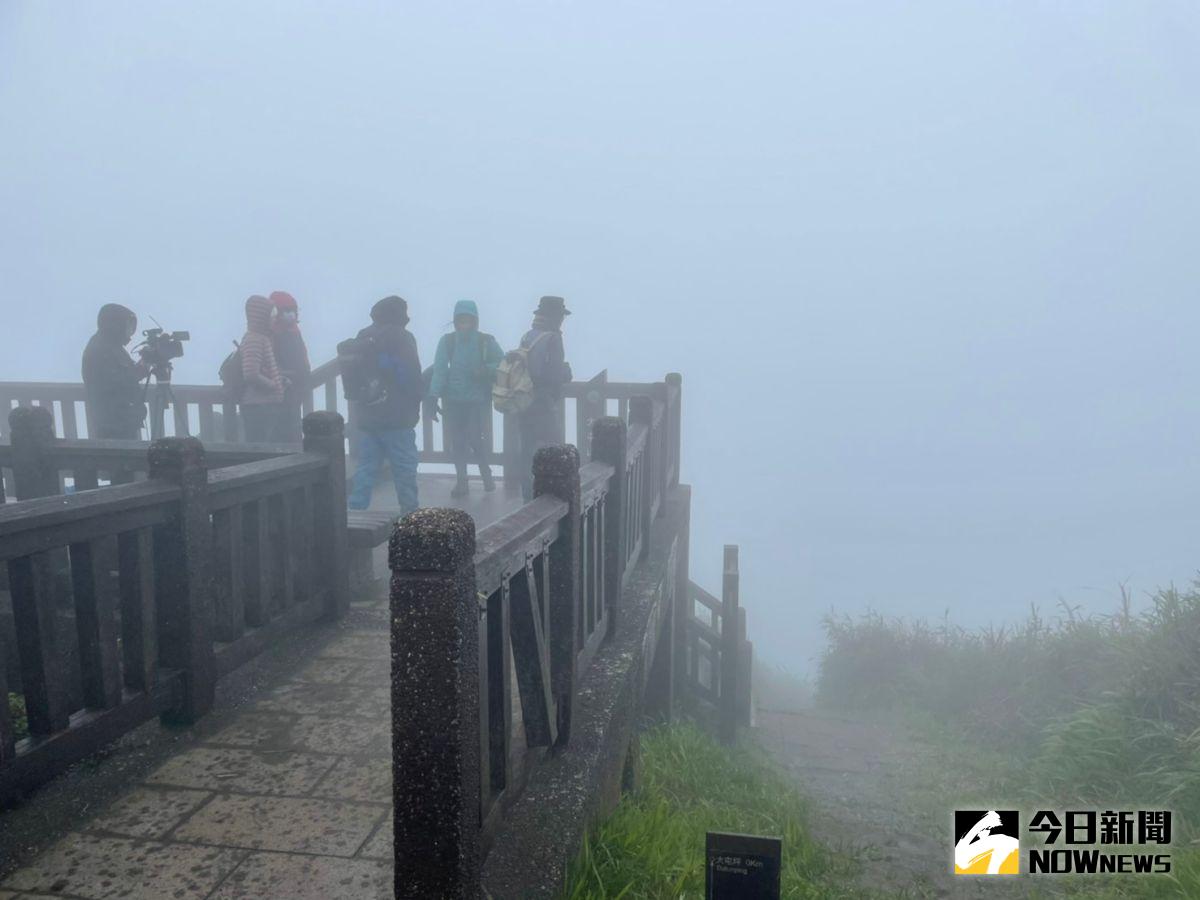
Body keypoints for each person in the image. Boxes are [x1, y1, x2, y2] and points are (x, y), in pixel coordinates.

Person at [347, 296, 423, 513]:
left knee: (366, 466)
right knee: (404, 468)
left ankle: (355, 512)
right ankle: (409, 514)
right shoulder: (402, 337)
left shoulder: (363, 336)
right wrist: (417, 398)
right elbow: (410, 375)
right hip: (398, 417)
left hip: (369, 416)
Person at [429, 300, 504, 497]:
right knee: (458, 441)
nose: (464, 325)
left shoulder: (485, 341)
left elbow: (502, 363)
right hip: (453, 400)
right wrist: (433, 395)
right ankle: (462, 481)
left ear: (475, 321)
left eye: (468, 320)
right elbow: (439, 370)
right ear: (455, 321)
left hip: (477, 400)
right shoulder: (447, 341)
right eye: (461, 321)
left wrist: (485, 370)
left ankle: (485, 473)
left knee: (475, 438)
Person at [516, 295, 573, 499]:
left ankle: (527, 495)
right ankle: (554, 496)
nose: (562, 320)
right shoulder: (553, 338)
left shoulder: (528, 336)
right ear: (555, 316)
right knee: (556, 449)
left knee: (527, 449)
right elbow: (554, 376)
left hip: (524, 400)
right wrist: (566, 373)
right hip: (543, 402)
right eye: (561, 316)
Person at [81, 303, 150, 439]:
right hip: (114, 425)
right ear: (115, 325)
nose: (130, 332)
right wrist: (138, 372)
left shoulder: (109, 345)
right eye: (128, 327)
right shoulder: (100, 349)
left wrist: (141, 365)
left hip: (121, 422)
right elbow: (114, 382)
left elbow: (121, 374)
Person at [239, 295, 285, 442]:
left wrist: (279, 379)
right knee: (261, 448)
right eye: (271, 315)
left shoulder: (259, 337)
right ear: (261, 318)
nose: (274, 319)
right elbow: (251, 374)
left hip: (261, 405)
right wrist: (273, 385)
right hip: (258, 405)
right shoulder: (255, 339)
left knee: (263, 447)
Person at [268, 290, 311, 443]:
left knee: (293, 428)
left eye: (292, 310)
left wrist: (305, 377)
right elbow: (270, 361)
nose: (290, 314)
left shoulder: (295, 332)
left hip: (296, 388)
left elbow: (303, 357)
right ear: (276, 312)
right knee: (282, 431)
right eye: (286, 310)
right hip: (281, 389)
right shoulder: (271, 333)